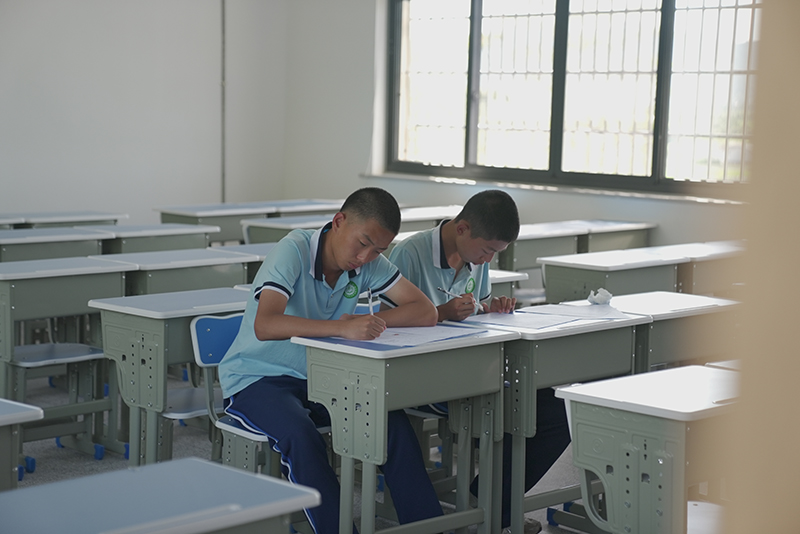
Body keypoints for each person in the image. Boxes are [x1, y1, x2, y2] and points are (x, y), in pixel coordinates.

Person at [218, 187, 442, 534]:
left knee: (389, 421)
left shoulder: (368, 263)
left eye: (378, 250)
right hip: (257, 378)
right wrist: (342, 328)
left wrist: (368, 322)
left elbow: (425, 311)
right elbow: (266, 325)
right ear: (339, 222)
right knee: (300, 435)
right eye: (363, 243)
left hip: (321, 375)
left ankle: (429, 529)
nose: (365, 257)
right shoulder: (294, 250)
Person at [381, 189, 571, 534]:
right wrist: (440, 313)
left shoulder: (475, 258)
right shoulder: (410, 253)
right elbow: (385, 323)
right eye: (486, 250)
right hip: (423, 376)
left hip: (474, 368)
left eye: (496, 253)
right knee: (507, 410)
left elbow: (474, 313)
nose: (488, 259)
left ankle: (488, 503)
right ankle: (493, 511)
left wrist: (490, 309)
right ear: (462, 229)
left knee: (555, 414)